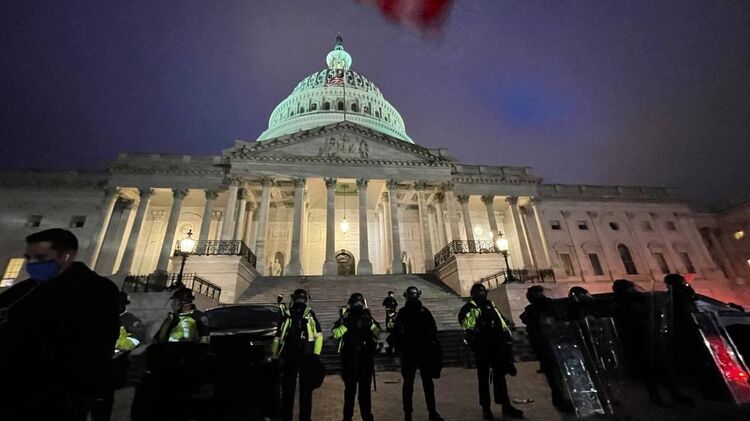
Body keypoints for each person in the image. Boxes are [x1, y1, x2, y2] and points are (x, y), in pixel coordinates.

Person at [0, 228, 121, 421]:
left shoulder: (94, 291)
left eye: (40, 257)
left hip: (55, 395)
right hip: (12, 390)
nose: (31, 264)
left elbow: (97, 345)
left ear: (66, 256)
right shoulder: (26, 288)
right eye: (28, 258)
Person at [459, 283, 523, 419]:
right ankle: (486, 408)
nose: (482, 293)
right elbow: (468, 329)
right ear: (473, 294)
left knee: (500, 378)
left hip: (497, 348)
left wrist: (507, 338)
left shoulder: (491, 306)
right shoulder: (470, 308)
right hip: (482, 350)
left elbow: (502, 324)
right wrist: (475, 343)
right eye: (479, 291)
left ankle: (505, 405)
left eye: (483, 290)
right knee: (483, 379)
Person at [392, 286, 444, 421]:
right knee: (427, 384)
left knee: (408, 384)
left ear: (406, 296)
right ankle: (432, 412)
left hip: (409, 352)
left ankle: (408, 414)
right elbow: (434, 331)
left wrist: (399, 350)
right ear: (418, 296)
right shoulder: (425, 311)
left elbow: (396, 333)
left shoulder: (402, 313)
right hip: (424, 352)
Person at [272, 289, 323, 421]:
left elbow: (278, 337)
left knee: (288, 390)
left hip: (289, 354)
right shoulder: (310, 314)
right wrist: (316, 355)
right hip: (306, 355)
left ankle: (286, 417)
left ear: (293, 299)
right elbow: (319, 336)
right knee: (305, 391)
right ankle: (305, 418)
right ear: (306, 300)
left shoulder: (287, 315)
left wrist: (275, 354)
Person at [520, 286, 572, 412]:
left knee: (553, 374)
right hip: (554, 344)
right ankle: (563, 398)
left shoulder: (532, 309)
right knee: (559, 373)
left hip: (544, 346)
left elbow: (525, 319)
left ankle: (560, 398)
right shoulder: (551, 305)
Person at [333, 293, 381, 421]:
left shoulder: (365, 317)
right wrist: (347, 325)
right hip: (352, 360)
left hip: (361, 359)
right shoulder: (347, 318)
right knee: (354, 392)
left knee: (358, 393)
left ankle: (361, 417)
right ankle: (351, 417)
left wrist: (368, 324)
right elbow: (336, 334)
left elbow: (377, 332)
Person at [382, 290, 398, 355]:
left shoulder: (393, 299)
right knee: (388, 319)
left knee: (391, 320)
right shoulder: (387, 299)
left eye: (392, 294)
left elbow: (396, 304)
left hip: (392, 310)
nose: (391, 295)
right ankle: (388, 328)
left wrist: (394, 307)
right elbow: (383, 304)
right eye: (391, 294)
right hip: (388, 310)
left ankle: (390, 328)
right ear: (388, 294)